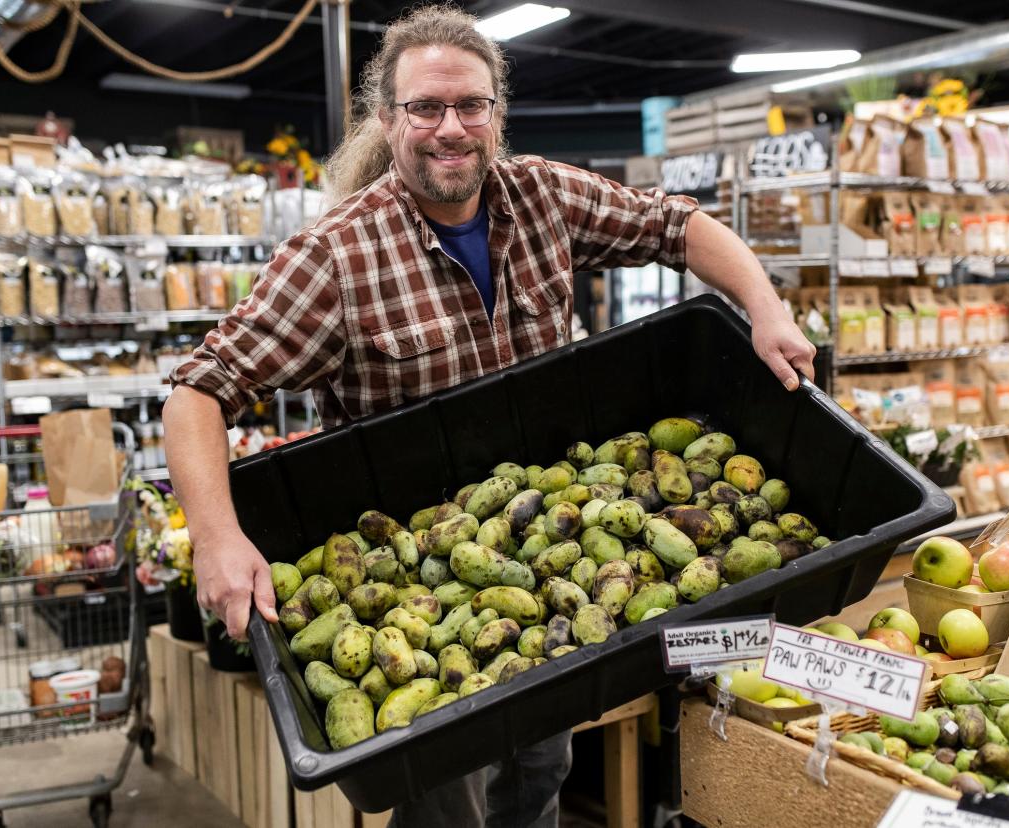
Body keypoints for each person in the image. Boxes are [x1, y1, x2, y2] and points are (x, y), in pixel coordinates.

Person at [163, 4, 815, 826]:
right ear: (387, 120)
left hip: (548, 545)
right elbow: (198, 388)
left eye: (471, 105)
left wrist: (765, 307)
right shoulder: (336, 257)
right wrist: (217, 538)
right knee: (449, 808)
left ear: (497, 114)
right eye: (425, 108)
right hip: (414, 575)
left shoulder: (540, 195)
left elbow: (676, 224)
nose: (450, 129)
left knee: (542, 769)